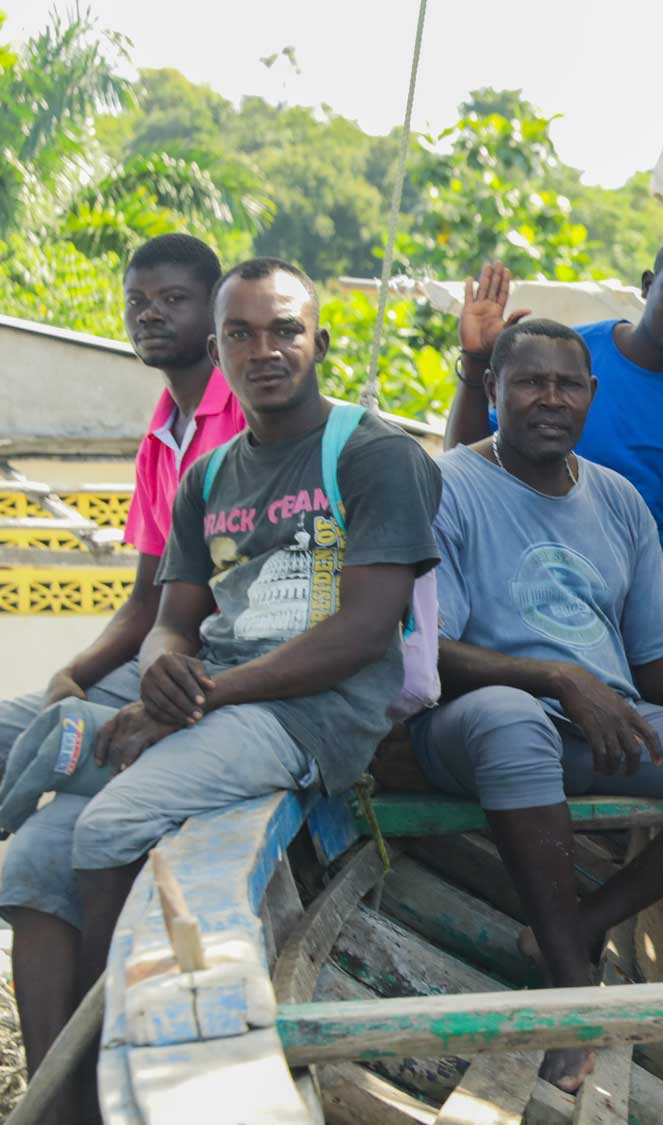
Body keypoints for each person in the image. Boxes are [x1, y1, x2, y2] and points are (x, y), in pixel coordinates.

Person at [0, 258, 441, 1117]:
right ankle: (55, 1103)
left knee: (111, 820)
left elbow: (362, 630)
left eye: (284, 330)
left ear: (321, 340)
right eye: (241, 333)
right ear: (219, 345)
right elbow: (174, 614)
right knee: (37, 852)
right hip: (218, 697)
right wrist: (167, 662)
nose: (263, 350)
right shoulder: (207, 478)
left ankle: (100, 1082)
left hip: (309, 717)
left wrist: (203, 695)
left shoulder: (374, 454)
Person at [413, 317, 663, 1090]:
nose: (549, 399)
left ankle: (584, 920)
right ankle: (571, 993)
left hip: (604, 731)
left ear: (592, 395)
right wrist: (559, 679)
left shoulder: (618, 500)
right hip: (477, 727)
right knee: (509, 718)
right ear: (493, 389)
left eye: (567, 384)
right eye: (529, 381)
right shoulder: (448, 484)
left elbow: (657, 652)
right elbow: (426, 650)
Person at [0, 232, 247, 1081]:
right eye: (138, 300)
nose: (149, 313)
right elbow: (146, 597)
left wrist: (134, 674)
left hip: (213, 677)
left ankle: (82, 1087)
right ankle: (49, 1096)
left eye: (172, 299)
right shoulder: (163, 429)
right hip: (152, 652)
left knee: (42, 839)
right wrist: (74, 670)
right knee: (18, 722)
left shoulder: (249, 411)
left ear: (216, 315)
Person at [444, 242, 663, 645]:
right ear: (648, 285)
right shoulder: (567, 361)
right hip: (544, 572)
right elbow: (464, 467)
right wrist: (476, 360)